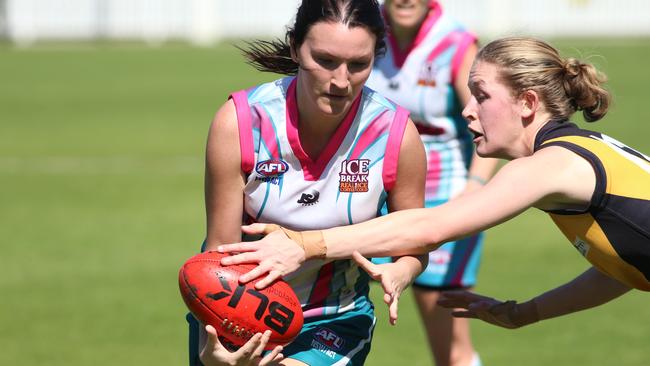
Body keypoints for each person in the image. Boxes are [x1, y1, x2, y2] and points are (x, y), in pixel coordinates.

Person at [217, 37, 650, 334]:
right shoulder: (571, 158)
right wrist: (524, 313)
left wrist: (304, 244)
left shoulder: (551, 163)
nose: (466, 111)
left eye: (481, 94)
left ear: (528, 103)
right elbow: (626, 266)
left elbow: (428, 228)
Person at [188, 0, 429, 365]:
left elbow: (415, 238)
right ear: (295, 47)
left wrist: (402, 269)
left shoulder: (396, 135)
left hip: (335, 320)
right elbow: (221, 255)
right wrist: (223, 350)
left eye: (359, 65)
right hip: (236, 311)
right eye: (326, 60)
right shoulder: (239, 122)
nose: (341, 81)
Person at [365, 1, 498, 365]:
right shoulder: (364, 31)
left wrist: (472, 193)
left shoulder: (454, 43)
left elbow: (491, 121)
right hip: (368, 192)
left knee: (448, 344)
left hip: (443, 196)